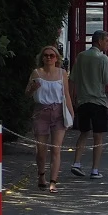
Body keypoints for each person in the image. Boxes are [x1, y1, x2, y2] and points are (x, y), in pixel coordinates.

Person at [69, 30, 108, 180]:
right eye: (106, 41)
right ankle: (95, 170)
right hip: (99, 102)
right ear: (99, 41)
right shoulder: (103, 59)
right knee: (98, 137)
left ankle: (76, 163)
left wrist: (72, 98)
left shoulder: (81, 56)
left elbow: (72, 79)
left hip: (83, 101)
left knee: (84, 132)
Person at [26, 46, 74, 193]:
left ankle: (53, 181)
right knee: (41, 150)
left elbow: (66, 94)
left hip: (58, 112)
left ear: (56, 58)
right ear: (42, 57)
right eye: (46, 55)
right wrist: (33, 88)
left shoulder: (62, 73)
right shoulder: (36, 73)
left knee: (56, 149)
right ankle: (41, 176)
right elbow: (27, 93)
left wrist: (71, 113)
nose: (48, 58)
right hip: (41, 112)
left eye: (52, 56)